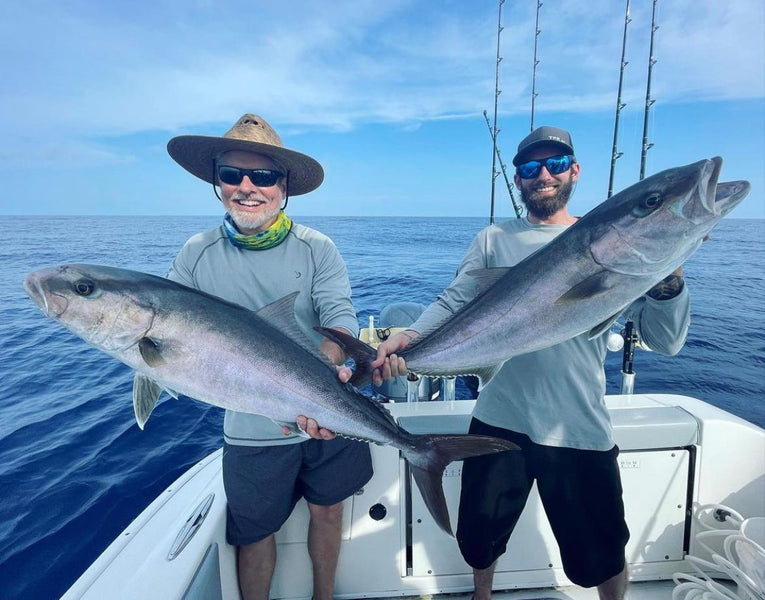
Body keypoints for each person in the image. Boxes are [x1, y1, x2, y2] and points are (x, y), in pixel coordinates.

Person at [370, 126, 690, 600]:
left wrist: (668, 281)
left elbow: (666, 341)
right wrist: (411, 338)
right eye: (530, 167)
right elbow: (455, 299)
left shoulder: (619, 248)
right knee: (479, 538)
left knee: (602, 550)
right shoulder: (494, 238)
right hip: (499, 416)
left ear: (574, 172)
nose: (543, 174)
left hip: (578, 424)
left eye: (556, 164)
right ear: (517, 179)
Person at [166, 113, 373, 600]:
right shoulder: (195, 255)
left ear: (283, 187)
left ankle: (324, 596)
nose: (246, 187)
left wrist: (329, 364)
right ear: (216, 182)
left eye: (262, 176)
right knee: (254, 533)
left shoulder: (316, 248)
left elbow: (340, 317)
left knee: (328, 511)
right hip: (251, 426)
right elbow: (170, 328)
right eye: (231, 174)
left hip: (329, 408)